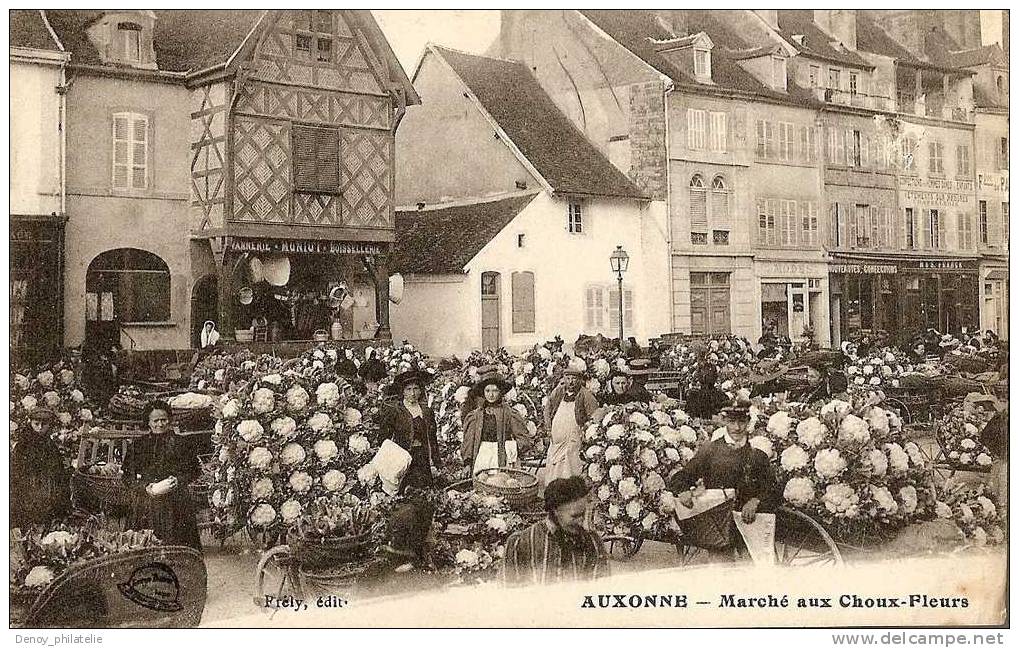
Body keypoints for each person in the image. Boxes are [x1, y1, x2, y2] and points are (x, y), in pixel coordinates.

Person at [668, 404, 778, 526]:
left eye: (742, 422)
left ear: (748, 422)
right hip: (716, 524)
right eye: (732, 422)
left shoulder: (758, 455)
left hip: (748, 524)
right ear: (724, 421)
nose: (737, 428)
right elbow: (683, 476)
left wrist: (756, 501)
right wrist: (683, 491)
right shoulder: (710, 450)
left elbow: (771, 489)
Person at [122, 401, 202, 551]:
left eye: (164, 419)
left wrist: (179, 480)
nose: (160, 424)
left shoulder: (182, 443)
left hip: (176, 503)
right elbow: (127, 476)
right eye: (156, 420)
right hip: (146, 504)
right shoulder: (138, 445)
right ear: (148, 422)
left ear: (170, 420)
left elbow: (195, 470)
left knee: (178, 550)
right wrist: (145, 487)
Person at [502, 476, 609, 587]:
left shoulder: (593, 543)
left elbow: (599, 589)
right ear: (555, 511)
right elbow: (507, 593)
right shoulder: (523, 543)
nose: (581, 521)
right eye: (575, 516)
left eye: (583, 514)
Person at [378, 368, 441, 492]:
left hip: (422, 459)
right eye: (409, 389)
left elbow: (433, 439)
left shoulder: (427, 411)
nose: (413, 393)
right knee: (404, 493)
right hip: (403, 459)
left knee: (424, 492)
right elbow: (384, 439)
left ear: (421, 390)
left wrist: (437, 462)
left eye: (416, 389)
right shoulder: (396, 411)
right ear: (403, 392)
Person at [461, 365, 532, 474]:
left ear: (500, 392)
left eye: (495, 390)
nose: (491, 394)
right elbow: (469, 441)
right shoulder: (476, 416)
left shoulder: (509, 413)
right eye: (488, 390)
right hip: (482, 456)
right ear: (483, 393)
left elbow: (524, 439)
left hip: (502, 458)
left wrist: (511, 449)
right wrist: (467, 463)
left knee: (500, 483)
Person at [10, 408, 70, 529]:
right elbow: (16, 470)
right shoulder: (23, 444)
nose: (40, 427)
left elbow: (58, 470)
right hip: (28, 488)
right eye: (36, 424)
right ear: (30, 423)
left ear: (49, 425)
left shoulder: (50, 445)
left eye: (44, 424)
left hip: (47, 488)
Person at [541, 359, 598, 486]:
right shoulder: (558, 392)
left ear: (579, 380)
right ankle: (554, 487)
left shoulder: (586, 395)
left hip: (574, 436)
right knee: (555, 463)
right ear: (564, 378)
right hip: (556, 438)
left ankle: (571, 490)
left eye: (574, 378)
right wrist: (549, 429)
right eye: (568, 378)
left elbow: (594, 416)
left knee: (571, 462)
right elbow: (547, 409)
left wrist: (586, 430)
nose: (571, 382)